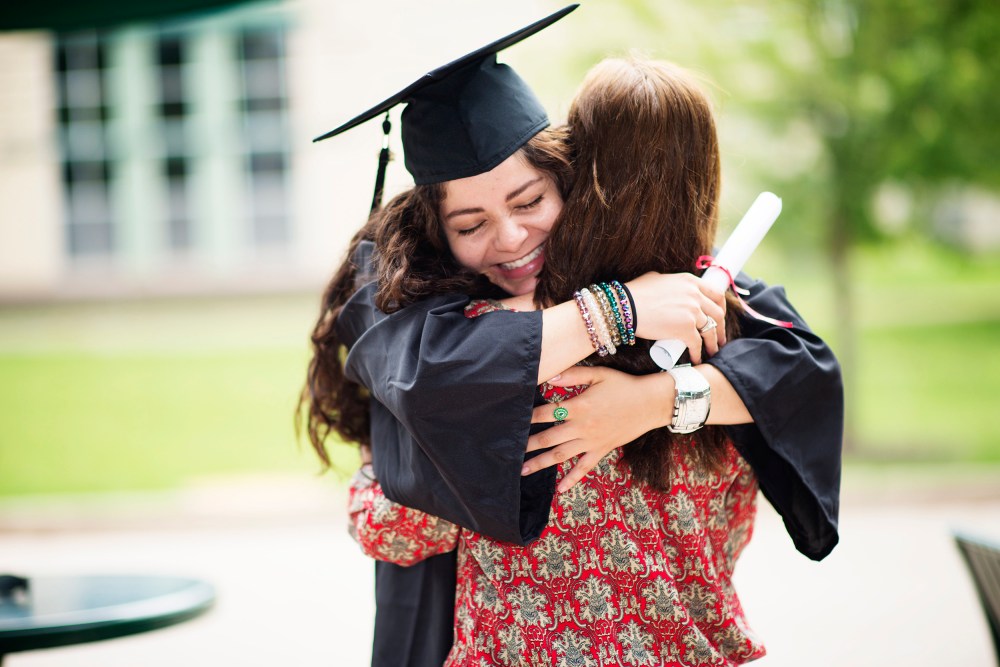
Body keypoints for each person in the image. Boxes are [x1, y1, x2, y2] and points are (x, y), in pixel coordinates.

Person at [302, 5, 842, 665]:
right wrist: (617, 310)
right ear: (435, 233)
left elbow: (801, 368)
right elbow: (431, 398)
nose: (510, 237)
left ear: (570, 181)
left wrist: (651, 401)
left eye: (529, 202)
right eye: (471, 225)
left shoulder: (686, 293)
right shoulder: (411, 310)